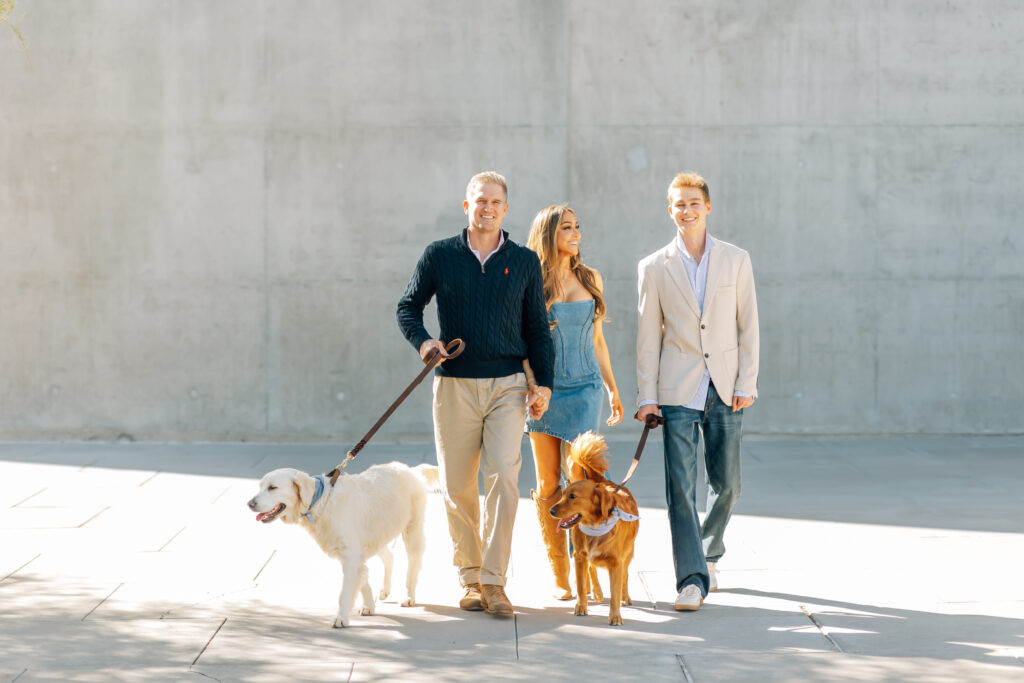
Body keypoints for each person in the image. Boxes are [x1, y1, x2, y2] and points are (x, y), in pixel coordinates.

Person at [396, 171, 555, 618]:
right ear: (466, 206)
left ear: (505, 209)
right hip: (454, 385)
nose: (487, 208)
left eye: (495, 202)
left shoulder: (524, 261)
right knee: (458, 485)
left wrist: (543, 384)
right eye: (479, 200)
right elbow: (407, 306)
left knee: (504, 475)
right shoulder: (440, 255)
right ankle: (469, 577)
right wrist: (425, 343)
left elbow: (538, 331)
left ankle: (494, 582)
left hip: (508, 385)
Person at [636, 172, 759, 612]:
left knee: (728, 485)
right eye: (677, 204)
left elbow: (749, 325)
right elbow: (648, 337)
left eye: (693, 203)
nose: (685, 210)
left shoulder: (736, 260)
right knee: (680, 489)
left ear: (707, 207)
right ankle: (691, 579)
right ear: (669, 210)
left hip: (726, 387)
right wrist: (646, 396)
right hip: (676, 389)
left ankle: (709, 550)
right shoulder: (653, 267)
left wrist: (747, 381)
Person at [522, 205, 623, 600]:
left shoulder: (591, 277)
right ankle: (561, 574)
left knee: (579, 481)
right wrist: (533, 387)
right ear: (549, 234)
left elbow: (598, 342)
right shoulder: (534, 283)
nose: (576, 233)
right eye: (567, 227)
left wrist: (613, 388)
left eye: (578, 226)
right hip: (545, 392)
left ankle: (590, 566)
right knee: (548, 483)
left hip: (585, 390)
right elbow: (526, 344)